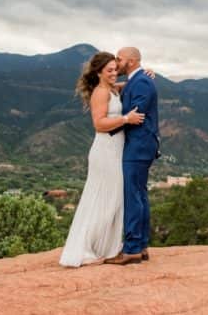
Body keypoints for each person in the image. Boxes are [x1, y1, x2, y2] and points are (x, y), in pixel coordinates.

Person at [58, 51, 145, 267]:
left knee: (113, 199)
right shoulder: (100, 93)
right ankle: (86, 250)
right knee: (102, 199)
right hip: (105, 150)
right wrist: (126, 118)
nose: (115, 73)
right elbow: (99, 124)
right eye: (110, 70)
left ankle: (103, 247)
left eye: (116, 69)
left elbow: (131, 84)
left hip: (116, 149)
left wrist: (144, 73)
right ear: (99, 73)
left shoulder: (113, 89)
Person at [104, 46, 161, 265]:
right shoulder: (136, 81)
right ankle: (141, 245)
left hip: (139, 145)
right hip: (139, 145)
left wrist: (109, 125)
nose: (116, 62)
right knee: (139, 194)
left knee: (133, 196)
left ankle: (133, 248)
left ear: (130, 61)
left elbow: (134, 114)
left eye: (119, 59)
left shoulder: (143, 82)